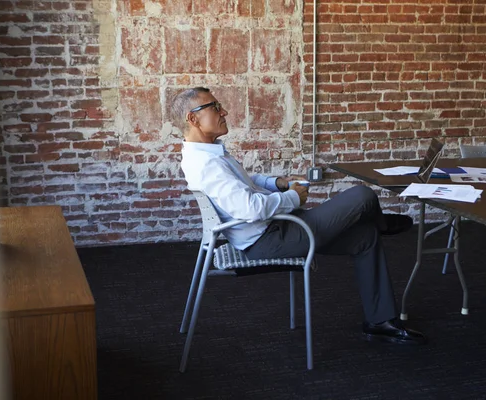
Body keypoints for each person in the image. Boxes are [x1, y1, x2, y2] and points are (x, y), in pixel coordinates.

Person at [173, 87, 426, 345]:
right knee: (362, 196)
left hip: (273, 230)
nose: (223, 111)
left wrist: (278, 183)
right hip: (269, 239)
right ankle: (381, 222)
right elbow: (249, 208)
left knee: (365, 236)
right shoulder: (207, 164)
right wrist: (292, 197)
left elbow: (246, 182)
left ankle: (380, 321)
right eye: (215, 107)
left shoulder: (208, 154)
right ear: (193, 119)